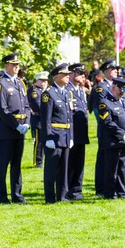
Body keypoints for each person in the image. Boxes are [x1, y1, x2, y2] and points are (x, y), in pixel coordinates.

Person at [0, 52, 30, 204]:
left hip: (21, 128)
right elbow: (2, 110)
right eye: (13, 65)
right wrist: (16, 126)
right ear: (6, 65)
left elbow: (27, 105)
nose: (16, 67)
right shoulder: (1, 84)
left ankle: (17, 194)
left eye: (17, 65)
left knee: (17, 164)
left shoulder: (20, 83)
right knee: (3, 164)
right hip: (8, 129)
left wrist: (27, 122)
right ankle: (2, 196)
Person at [41, 63, 74, 203]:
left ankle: (62, 196)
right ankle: (50, 197)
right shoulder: (49, 93)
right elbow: (46, 118)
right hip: (54, 135)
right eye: (65, 74)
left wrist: (71, 136)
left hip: (65, 134)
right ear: (57, 76)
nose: (68, 76)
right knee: (51, 169)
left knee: (63, 169)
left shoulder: (66, 93)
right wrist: (48, 137)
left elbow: (69, 117)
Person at [98, 77, 125, 199]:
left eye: (124, 88)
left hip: (124, 141)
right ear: (114, 87)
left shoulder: (123, 101)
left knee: (122, 168)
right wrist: (122, 134)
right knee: (111, 169)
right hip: (111, 141)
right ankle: (110, 193)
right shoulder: (105, 103)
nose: (123, 91)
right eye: (121, 88)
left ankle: (122, 192)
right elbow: (107, 122)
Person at [92, 59, 118, 196]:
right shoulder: (101, 87)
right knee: (103, 158)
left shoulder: (117, 85)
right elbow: (100, 109)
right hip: (106, 127)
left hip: (117, 127)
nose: (116, 71)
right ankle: (100, 188)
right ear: (107, 71)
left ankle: (112, 186)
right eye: (113, 69)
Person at [65, 63, 89, 200]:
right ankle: (68, 190)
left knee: (79, 163)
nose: (82, 76)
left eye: (83, 74)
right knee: (70, 163)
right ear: (72, 74)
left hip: (81, 132)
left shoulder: (80, 90)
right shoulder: (67, 89)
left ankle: (76, 190)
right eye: (80, 73)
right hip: (71, 132)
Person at [27, 71, 49, 168]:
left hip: (45, 119)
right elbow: (37, 105)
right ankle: (37, 161)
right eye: (42, 81)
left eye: (45, 81)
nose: (44, 83)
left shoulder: (46, 91)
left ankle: (43, 160)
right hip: (38, 119)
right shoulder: (35, 92)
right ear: (37, 81)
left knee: (45, 141)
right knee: (39, 142)